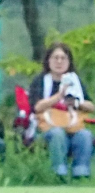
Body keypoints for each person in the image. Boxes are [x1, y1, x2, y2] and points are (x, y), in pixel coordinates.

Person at [29, 44, 93, 180]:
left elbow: (91, 106)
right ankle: (59, 174)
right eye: (55, 58)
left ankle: (81, 173)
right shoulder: (40, 81)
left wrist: (77, 103)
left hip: (73, 127)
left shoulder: (75, 81)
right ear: (48, 61)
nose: (59, 62)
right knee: (57, 134)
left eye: (63, 58)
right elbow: (37, 107)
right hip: (46, 129)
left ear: (69, 62)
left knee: (85, 135)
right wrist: (59, 95)